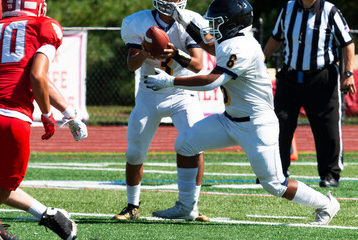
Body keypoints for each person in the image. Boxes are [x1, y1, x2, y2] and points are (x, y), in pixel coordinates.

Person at [144, 0, 340, 225]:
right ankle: (187, 207)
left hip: (256, 125)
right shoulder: (230, 41)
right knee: (185, 144)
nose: (211, 26)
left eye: (216, 21)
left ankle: (326, 204)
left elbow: (212, 80)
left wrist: (170, 81)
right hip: (230, 120)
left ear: (231, 24)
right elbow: (209, 46)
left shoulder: (242, 46)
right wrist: (184, 21)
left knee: (275, 184)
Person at [0, 0, 84, 239]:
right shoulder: (42, 26)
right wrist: (47, 114)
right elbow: (37, 76)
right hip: (13, 118)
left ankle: (9, 222)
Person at [114, 0, 210, 221]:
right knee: (135, 150)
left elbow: (197, 65)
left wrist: (175, 52)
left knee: (195, 144)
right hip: (150, 91)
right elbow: (131, 64)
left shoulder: (191, 21)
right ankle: (132, 206)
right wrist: (145, 54)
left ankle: (191, 206)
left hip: (180, 90)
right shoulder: (137, 22)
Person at [263, 0, 355, 188]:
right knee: (278, 123)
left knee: (327, 129)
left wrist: (348, 73)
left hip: (321, 78)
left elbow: (347, 43)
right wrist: (260, 60)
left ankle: (330, 174)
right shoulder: (287, 8)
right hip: (290, 77)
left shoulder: (330, 11)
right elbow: (275, 38)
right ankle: (277, 170)